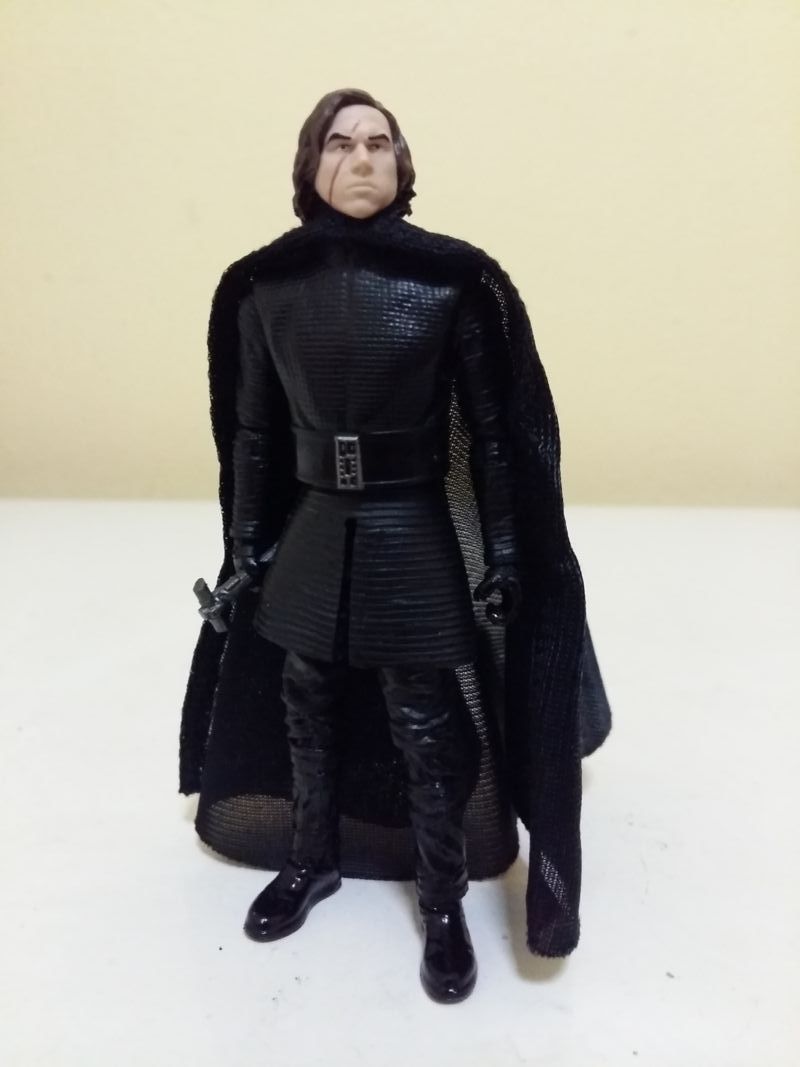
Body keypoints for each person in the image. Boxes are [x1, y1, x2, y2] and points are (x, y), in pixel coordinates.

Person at [180, 88, 611, 1004]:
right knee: (305, 704)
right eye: (341, 143)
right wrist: (246, 549)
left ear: (403, 163)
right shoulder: (266, 287)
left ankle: (443, 898)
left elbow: (495, 439)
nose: (363, 158)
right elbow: (253, 435)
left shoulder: (450, 283)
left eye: (379, 142)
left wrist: (504, 554)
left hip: (409, 528)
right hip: (312, 530)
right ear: (311, 164)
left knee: (424, 724)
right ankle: (310, 859)